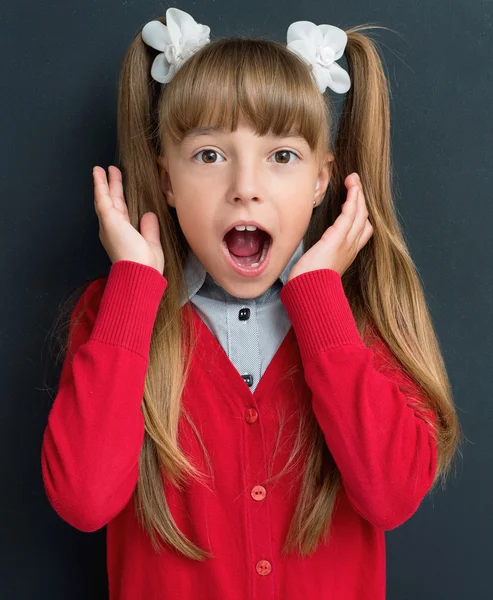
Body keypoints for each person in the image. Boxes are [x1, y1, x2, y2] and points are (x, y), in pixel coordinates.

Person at [41, 7, 461, 600]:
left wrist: (319, 299)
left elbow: (391, 497)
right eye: (209, 155)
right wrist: (133, 284)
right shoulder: (117, 312)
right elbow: (83, 500)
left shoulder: (361, 317)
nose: (245, 185)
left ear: (321, 180)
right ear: (166, 180)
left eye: (282, 156)